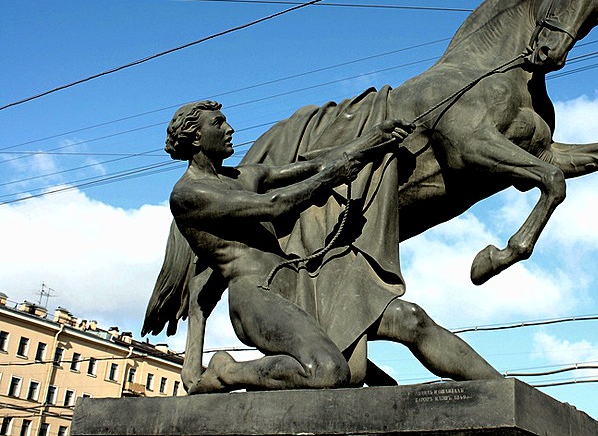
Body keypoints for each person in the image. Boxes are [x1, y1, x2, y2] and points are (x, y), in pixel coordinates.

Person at [164, 100, 499, 393]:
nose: (230, 128)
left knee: (410, 319)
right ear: (195, 136)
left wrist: (371, 140)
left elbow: (317, 165)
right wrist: (332, 176)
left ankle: (505, 392)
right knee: (328, 371)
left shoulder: (243, 175)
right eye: (218, 123)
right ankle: (229, 372)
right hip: (258, 296)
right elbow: (277, 204)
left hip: (302, 284)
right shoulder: (189, 195)